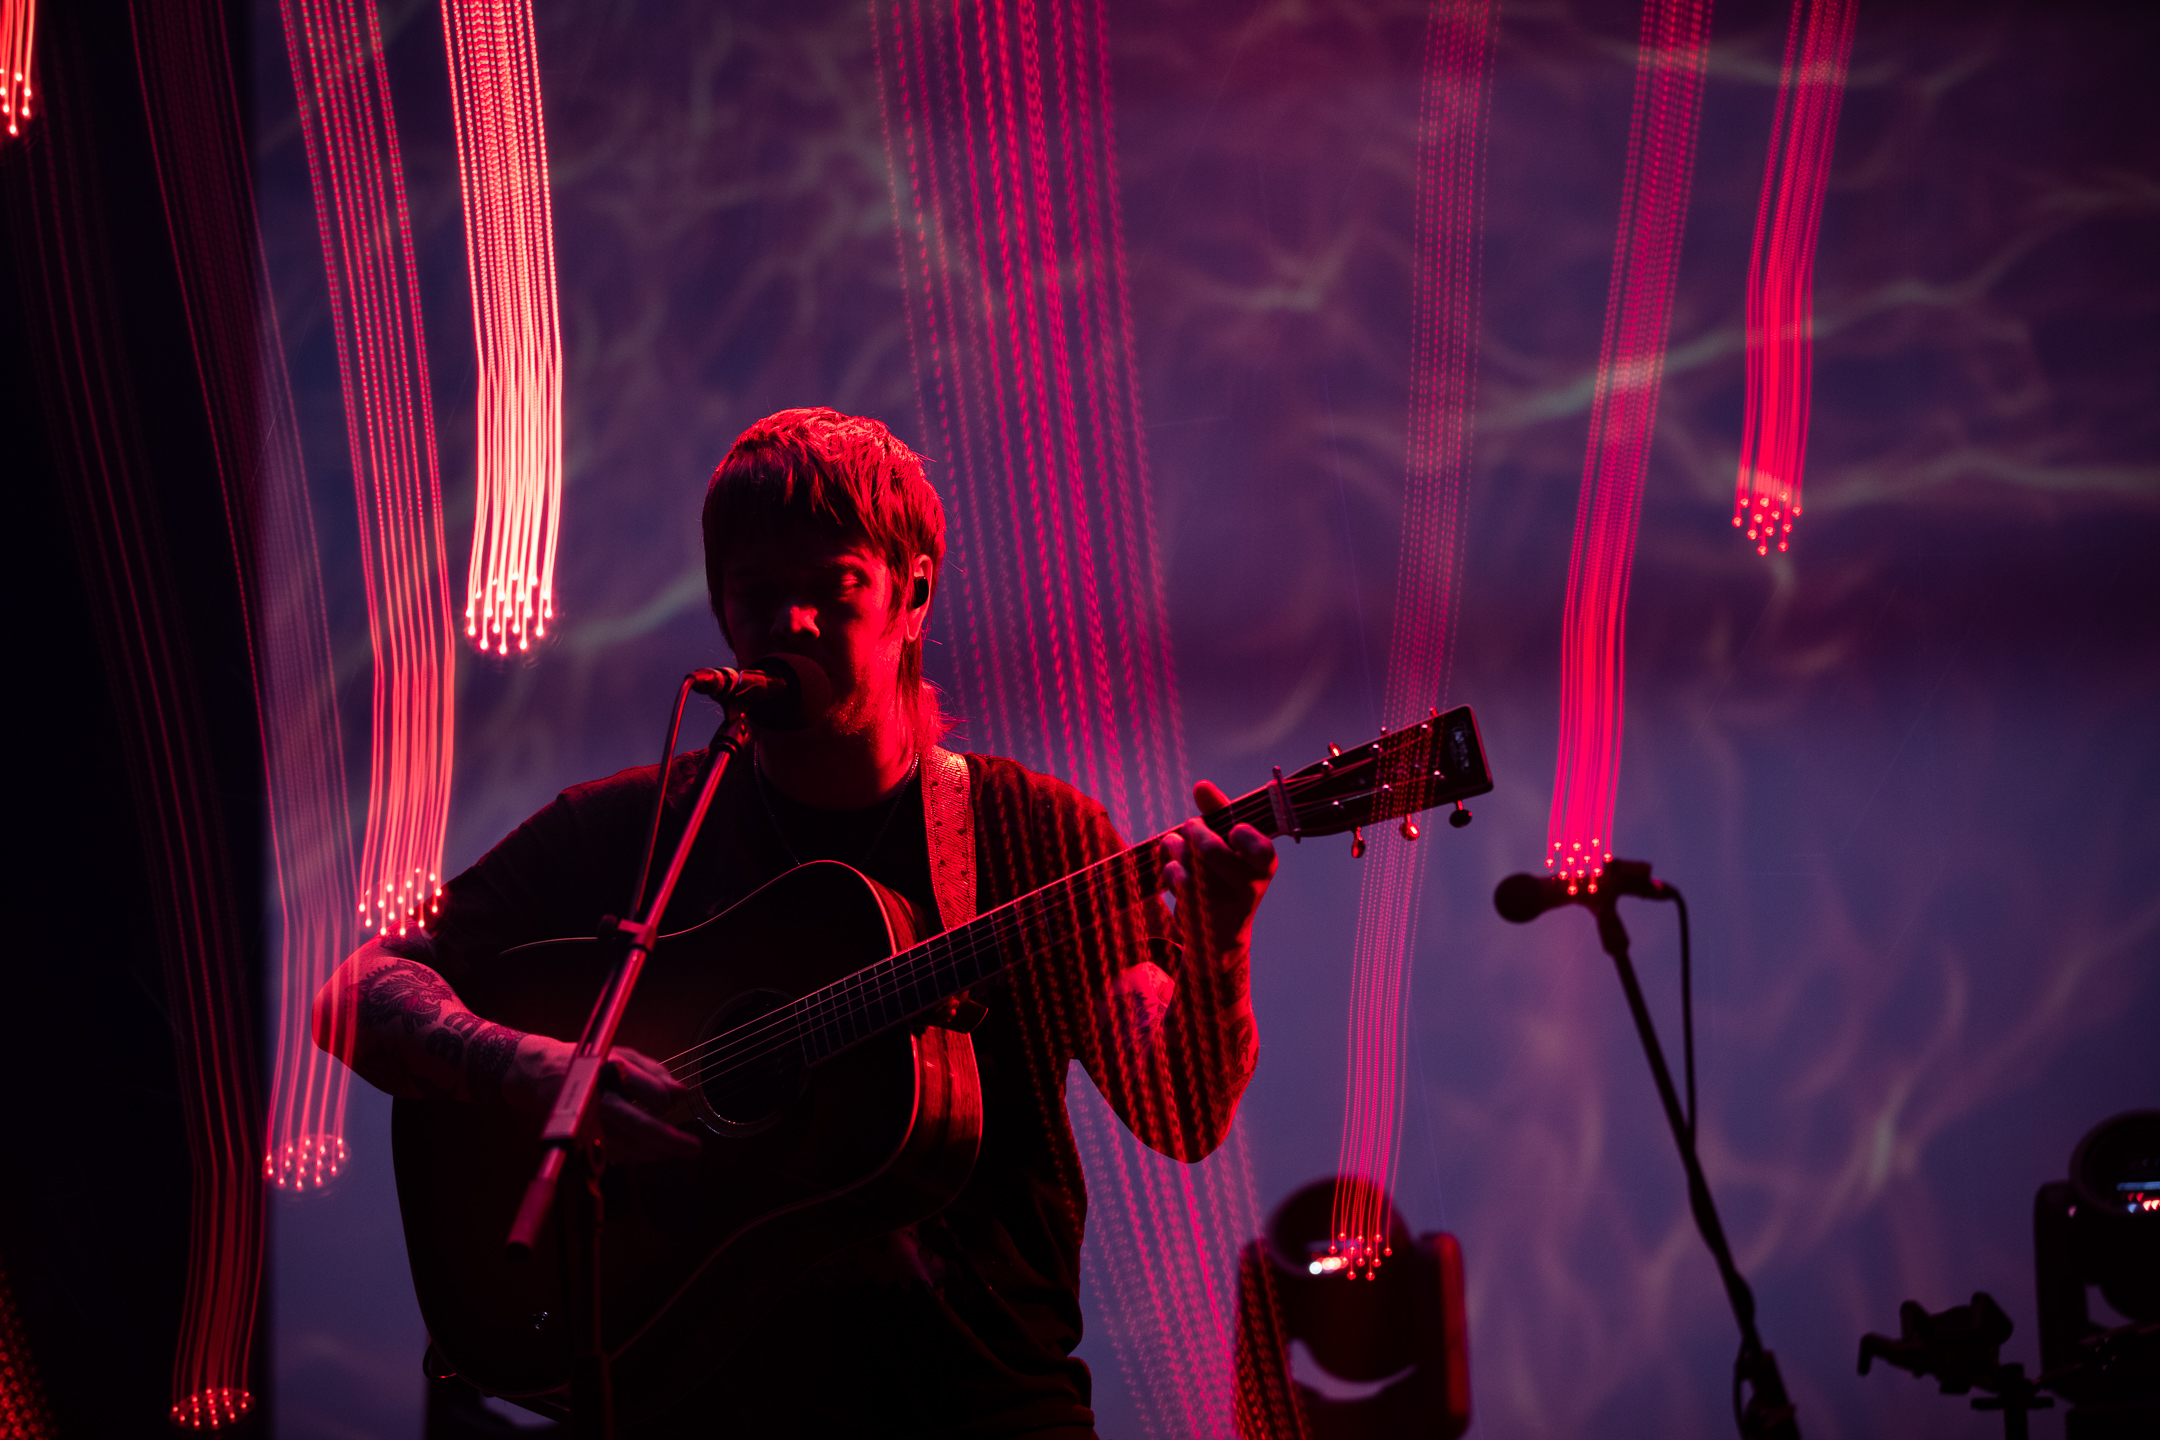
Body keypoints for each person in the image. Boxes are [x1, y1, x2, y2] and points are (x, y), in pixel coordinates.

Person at [314, 406, 1276, 1438]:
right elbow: (356, 992)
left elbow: (1181, 1114)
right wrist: (526, 1069)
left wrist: (1217, 944)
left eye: (831, 586)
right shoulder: (633, 833)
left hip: (983, 1404)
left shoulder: (1030, 833)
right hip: (688, 1395)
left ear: (913, 592)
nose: (792, 623)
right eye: (758, 594)